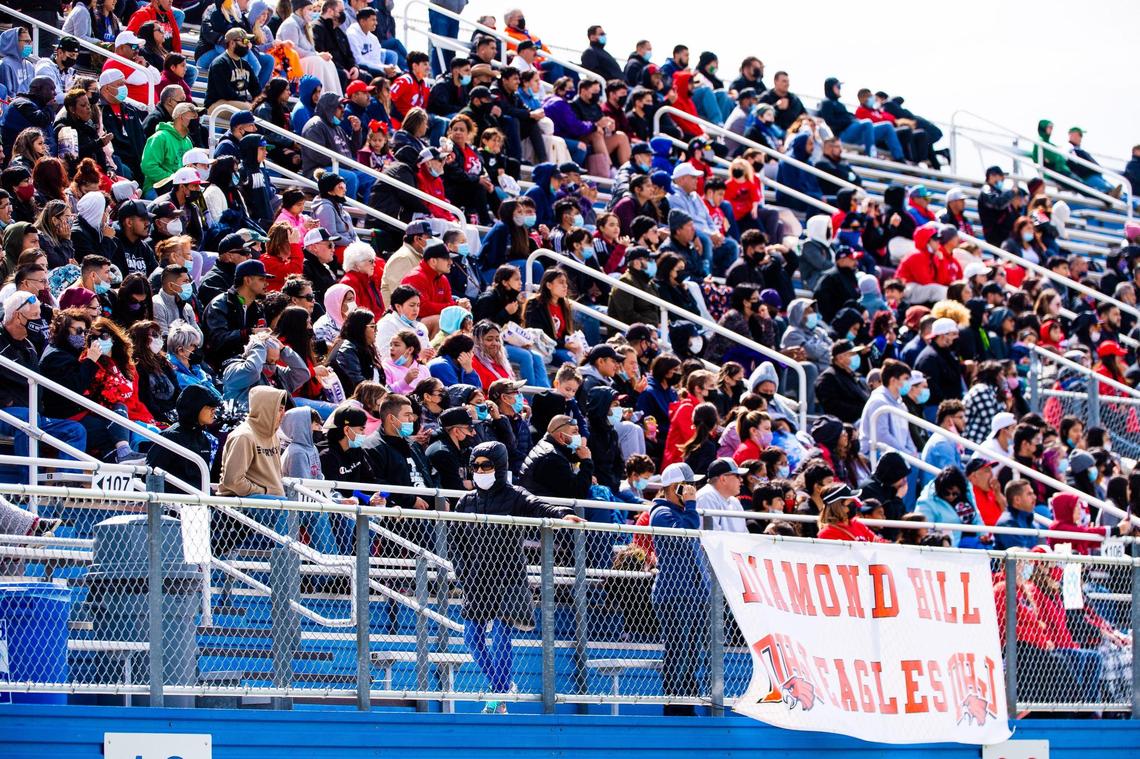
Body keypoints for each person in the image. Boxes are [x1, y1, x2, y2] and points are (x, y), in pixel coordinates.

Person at [451, 440, 581, 714]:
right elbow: (456, 543)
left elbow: (538, 507)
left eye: (486, 465)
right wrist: (463, 575)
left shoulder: (515, 495)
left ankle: (497, 696)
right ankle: (503, 685)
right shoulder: (466, 501)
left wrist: (562, 514)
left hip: (509, 576)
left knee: (501, 635)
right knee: (471, 638)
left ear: (499, 467)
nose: (480, 471)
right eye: (475, 466)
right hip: (477, 580)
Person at [648, 462, 708, 717]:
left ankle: (687, 701)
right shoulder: (661, 512)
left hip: (692, 593)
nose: (693, 490)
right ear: (676, 488)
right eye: (689, 486)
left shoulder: (680, 512)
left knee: (692, 651)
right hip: (675, 594)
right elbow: (686, 534)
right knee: (679, 649)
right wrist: (692, 506)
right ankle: (675, 705)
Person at [218, 385, 287, 501]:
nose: (283, 414)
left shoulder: (273, 435)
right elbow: (233, 481)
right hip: (246, 506)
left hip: (274, 504)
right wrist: (265, 491)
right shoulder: (243, 436)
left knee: (318, 513)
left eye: (283, 409)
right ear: (266, 409)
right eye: (279, 409)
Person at [814, 340, 870, 424]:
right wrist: (864, 409)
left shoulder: (853, 375)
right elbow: (835, 408)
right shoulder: (828, 378)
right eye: (852, 354)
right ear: (840, 358)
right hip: (848, 425)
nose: (856, 356)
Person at [205, 28, 257, 113]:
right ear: (232, 43)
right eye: (244, 41)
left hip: (239, 102)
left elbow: (255, 88)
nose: (247, 44)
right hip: (217, 104)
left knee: (262, 108)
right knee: (250, 109)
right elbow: (225, 92)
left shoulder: (245, 65)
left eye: (248, 41)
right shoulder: (219, 63)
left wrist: (260, 101)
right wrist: (246, 102)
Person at [817, 483, 883, 542]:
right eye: (851, 502)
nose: (857, 505)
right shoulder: (827, 533)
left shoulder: (857, 524)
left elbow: (878, 541)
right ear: (838, 507)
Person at [698, 457, 748, 532]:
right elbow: (710, 538)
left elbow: (745, 534)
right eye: (737, 476)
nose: (741, 480)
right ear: (723, 479)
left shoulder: (734, 501)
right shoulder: (707, 497)